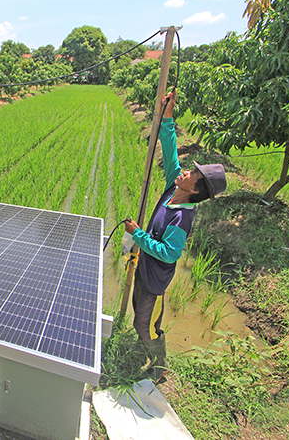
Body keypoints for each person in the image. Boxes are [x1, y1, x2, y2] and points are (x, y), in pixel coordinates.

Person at [124, 89, 227, 382]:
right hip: (144, 267)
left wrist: (139, 234)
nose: (185, 171)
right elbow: (169, 150)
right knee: (136, 311)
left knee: (146, 324)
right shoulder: (174, 188)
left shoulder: (182, 217)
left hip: (156, 277)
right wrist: (167, 115)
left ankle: (160, 365)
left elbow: (169, 252)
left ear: (196, 189)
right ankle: (142, 350)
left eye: (192, 174)